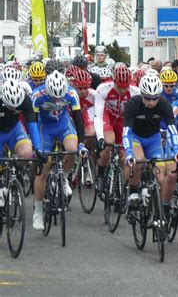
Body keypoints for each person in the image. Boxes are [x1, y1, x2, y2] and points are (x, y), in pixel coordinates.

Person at [31, 71, 87, 230]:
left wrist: (82, 144)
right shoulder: (37, 95)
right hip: (44, 128)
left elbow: (78, 120)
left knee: (71, 149)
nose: (57, 100)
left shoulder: (71, 92)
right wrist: (36, 148)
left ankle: (64, 178)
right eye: (53, 97)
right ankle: (38, 210)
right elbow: (33, 122)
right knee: (44, 168)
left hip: (63, 124)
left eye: (59, 97)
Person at [123, 73, 178, 221]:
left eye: (155, 98)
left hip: (154, 139)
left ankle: (156, 206)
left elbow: (172, 129)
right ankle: (134, 191)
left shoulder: (164, 104)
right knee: (139, 160)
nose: (151, 102)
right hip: (136, 137)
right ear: (142, 94)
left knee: (161, 180)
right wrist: (129, 152)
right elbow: (126, 132)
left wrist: (176, 150)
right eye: (148, 98)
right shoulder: (133, 103)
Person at [94, 66, 140, 192]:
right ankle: (101, 174)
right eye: (119, 86)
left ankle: (122, 189)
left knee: (125, 157)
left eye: (125, 87)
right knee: (109, 143)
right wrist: (100, 137)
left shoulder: (136, 92)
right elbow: (97, 115)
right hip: (108, 117)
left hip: (123, 120)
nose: (122, 90)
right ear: (113, 81)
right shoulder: (103, 89)